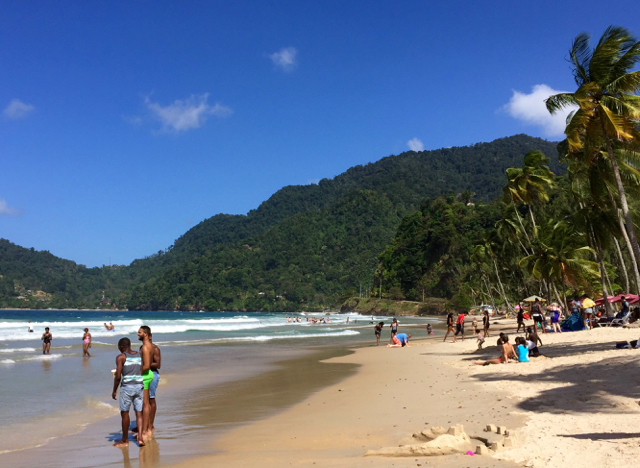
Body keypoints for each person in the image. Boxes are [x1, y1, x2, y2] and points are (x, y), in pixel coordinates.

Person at [112, 337, 144, 447]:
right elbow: (141, 369)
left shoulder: (121, 357)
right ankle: (140, 438)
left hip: (127, 387)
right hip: (139, 386)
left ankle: (124, 439)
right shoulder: (139, 355)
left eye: (118, 347)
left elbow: (118, 377)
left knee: (125, 413)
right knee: (139, 413)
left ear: (122, 346)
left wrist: (114, 391)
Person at [137, 326, 154, 443]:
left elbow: (147, 365)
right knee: (146, 403)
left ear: (146, 334)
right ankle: (147, 429)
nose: (138, 334)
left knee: (144, 404)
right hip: (148, 375)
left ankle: (144, 432)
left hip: (145, 375)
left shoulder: (145, 347)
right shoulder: (150, 346)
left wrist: (138, 374)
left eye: (140, 332)